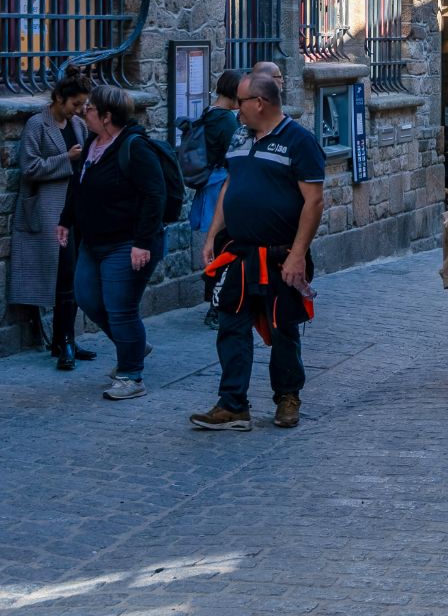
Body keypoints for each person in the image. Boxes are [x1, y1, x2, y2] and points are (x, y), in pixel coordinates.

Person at [190, 70, 326, 433]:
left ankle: (287, 397)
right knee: (231, 326)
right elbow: (230, 185)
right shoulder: (239, 136)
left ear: (260, 103)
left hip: (281, 255)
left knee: (283, 328)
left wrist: (298, 255)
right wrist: (212, 235)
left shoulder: (300, 141)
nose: (236, 109)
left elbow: (314, 202)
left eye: (241, 102)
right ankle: (233, 404)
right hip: (239, 253)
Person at [57, 82, 167, 401]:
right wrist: (66, 220)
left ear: (106, 116)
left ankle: (131, 375)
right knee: (88, 297)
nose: (83, 112)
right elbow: (80, 187)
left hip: (128, 242)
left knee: (121, 308)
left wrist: (143, 242)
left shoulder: (135, 147)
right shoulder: (92, 142)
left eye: (89, 108)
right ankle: (132, 343)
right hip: (94, 242)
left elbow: (154, 196)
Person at [8, 66, 95, 369]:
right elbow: (29, 167)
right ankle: (65, 343)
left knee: (73, 275)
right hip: (48, 211)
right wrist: (66, 159)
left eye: (83, 105)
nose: (80, 110)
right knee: (62, 276)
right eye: (75, 104)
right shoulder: (37, 125)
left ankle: (64, 338)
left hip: (75, 211)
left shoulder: (80, 127)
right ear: (59, 98)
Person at [189, 69, 242, 327]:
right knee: (223, 246)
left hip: (208, 185)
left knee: (217, 243)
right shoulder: (228, 122)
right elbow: (236, 156)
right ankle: (214, 306)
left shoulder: (209, 113)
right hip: (221, 185)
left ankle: (213, 297)